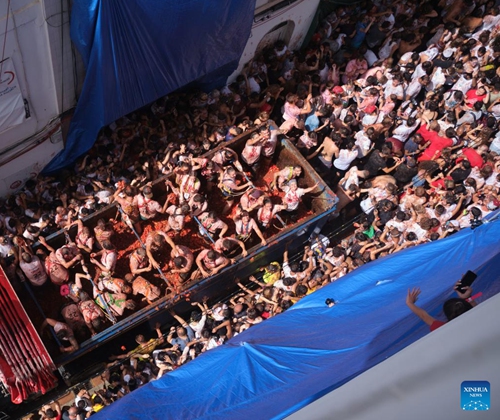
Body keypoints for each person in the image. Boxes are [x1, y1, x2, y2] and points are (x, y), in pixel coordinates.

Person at [406, 282, 477, 332]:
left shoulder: (443, 329)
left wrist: (409, 303)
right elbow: (475, 308)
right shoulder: (478, 316)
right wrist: (468, 297)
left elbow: (423, 315)